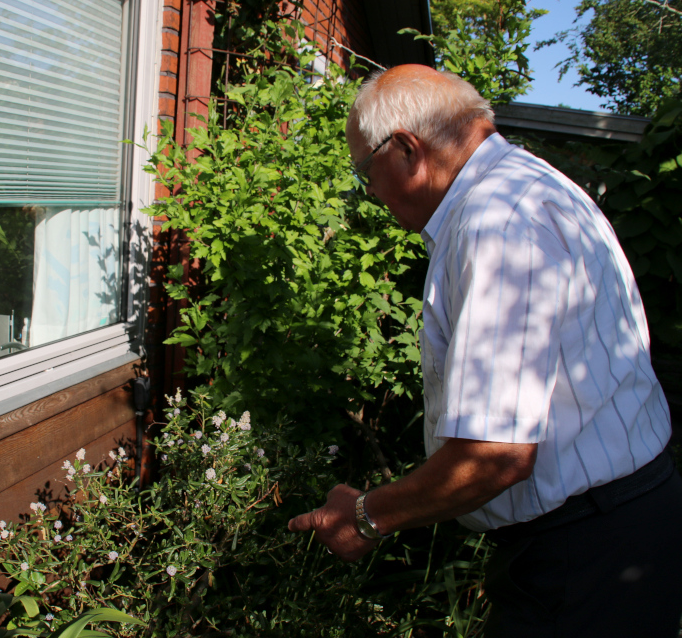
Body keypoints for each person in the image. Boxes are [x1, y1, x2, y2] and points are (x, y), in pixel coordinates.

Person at [287, 64, 682, 637]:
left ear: (405, 150)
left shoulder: (498, 223)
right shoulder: (532, 186)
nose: (369, 192)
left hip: (585, 558)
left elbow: (496, 454)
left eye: (364, 171)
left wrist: (369, 517)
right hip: (617, 531)